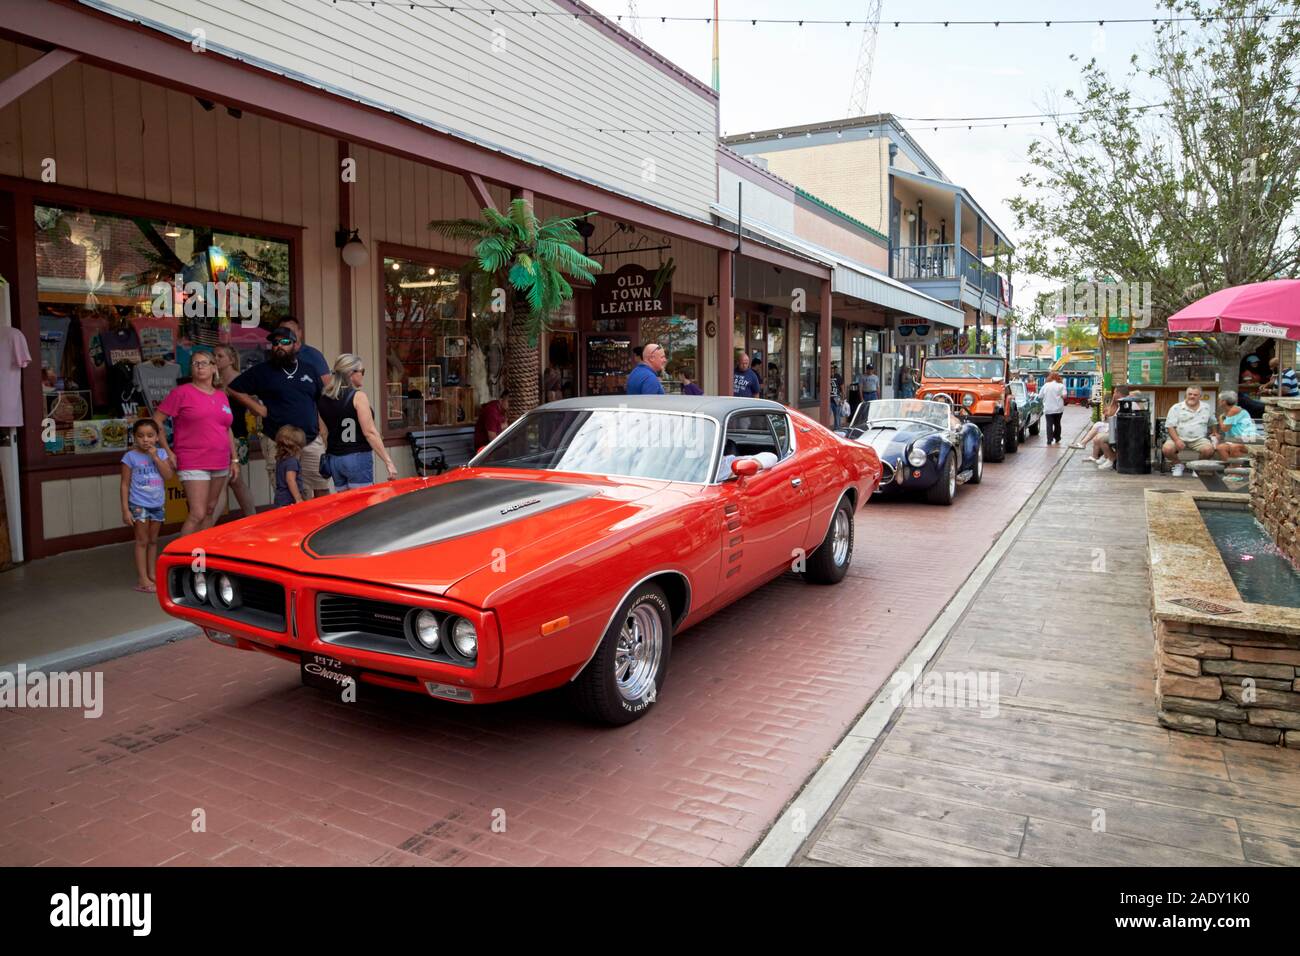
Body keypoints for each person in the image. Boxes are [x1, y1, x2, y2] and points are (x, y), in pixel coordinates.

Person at [226, 325, 330, 500]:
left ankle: (323, 527)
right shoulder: (263, 371)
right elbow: (233, 388)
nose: (279, 346)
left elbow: (318, 400)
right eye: (275, 343)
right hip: (278, 442)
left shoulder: (309, 370)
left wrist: (322, 427)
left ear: (295, 345)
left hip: (311, 441)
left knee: (321, 487)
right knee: (287, 493)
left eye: (285, 342)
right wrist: (257, 408)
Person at [154, 349, 238, 536]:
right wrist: (168, 451)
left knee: (210, 509)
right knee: (197, 513)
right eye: (195, 364)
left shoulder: (221, 395)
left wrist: (234, 459)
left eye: (204, 363)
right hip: (193, 459)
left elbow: (226, 428)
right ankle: (182, 559)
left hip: (220, 459)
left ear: (214, 367)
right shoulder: (181, 393)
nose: (200, 367)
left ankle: (200, 556)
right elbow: (157, 420)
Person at [318, 353, 397, 490]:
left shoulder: (323, 398)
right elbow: (370, 432)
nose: (362, 375)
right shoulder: (358, 396)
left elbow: (324, 433)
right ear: (350, 373)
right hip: (356, 457)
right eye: (362, 371)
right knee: (362, 503)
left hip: (335, 459)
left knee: (345, 505)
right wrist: (388, 462)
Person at [120, 419, 174, 593]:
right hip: (139, 504)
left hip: (157, 504)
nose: (146, 440)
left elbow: (168, 476)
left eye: (150, 436)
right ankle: (143, 579)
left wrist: (155, 457)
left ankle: (152, 573)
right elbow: (124, 484)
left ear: (157, 437)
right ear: (134, 437)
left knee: (152, 541)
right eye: (141, 436)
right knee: (142, 541)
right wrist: (125, 509)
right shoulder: (130, 457)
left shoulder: (161, 454)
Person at [213, 344, 257, 520]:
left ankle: (207, 525)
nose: (216, 359)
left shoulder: (240, 380)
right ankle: (252, 517)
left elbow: (252, 404)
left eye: (220, 356)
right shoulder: (214, 381)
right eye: (214, 356)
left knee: (226, 479)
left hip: (236, 433)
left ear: (231, 360)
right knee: (235, 481)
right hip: (217, 435)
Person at [1162, 385, 1217, 476]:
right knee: (1167, 449)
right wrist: (1177, 440)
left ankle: (1198, 467)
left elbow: (1213, 422)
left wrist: (1215, 432)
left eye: (1195, 395)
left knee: (1209, 450)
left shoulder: (1206, 407)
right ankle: (1178, 464)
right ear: (1186, 395)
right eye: (1190, 394)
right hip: (1178, 437)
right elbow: (1170, 426)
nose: (1192, 396)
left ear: (1200, 396)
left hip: (1199, 439)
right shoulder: (1176, 407)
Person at [279, 317, 331, 389]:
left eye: (292, 331)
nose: (288, 335)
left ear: (300, 333)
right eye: (284, 332)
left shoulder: (314, 356)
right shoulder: (276, 356)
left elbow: (328, 387)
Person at [1094, 385, 1132, 472]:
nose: (1113, 394)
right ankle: (1108, 457)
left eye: (1114, 392)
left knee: (1101, 439)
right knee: (1099, 437)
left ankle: (1111, 459)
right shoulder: (1122, 403)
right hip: (1119, 431)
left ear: (1118, 393)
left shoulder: (1126, 403)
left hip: (1125, 434)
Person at [1215, 391, 1258, 461]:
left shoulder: (1234, 410)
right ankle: (1230, 468)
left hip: (1248, 440)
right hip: (1236, 440)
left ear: (1224, 402)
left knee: (1234, 447)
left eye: (1219, 399)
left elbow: (1225, 428)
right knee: (1220, 448)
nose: (1218, 401)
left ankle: (1236, 469)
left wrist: (1220, 418)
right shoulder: (1228, 412)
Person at [272, 425, 306, 507]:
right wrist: (298, 498)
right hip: (289, 500)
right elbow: (290, 480)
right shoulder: (292, 462)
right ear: (297, 447)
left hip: (280, 498)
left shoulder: (281, 459)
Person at [1039, 371, 1067, 445]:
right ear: (1058, 377)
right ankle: (1057, 437)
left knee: (1049, 424)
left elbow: (1040, 396)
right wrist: (1059, 395)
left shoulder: (1045, 385)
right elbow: (1064, 396)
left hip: (1048, 408)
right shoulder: (1061, 385)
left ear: (1050, 377)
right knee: (1057, 424)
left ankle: (1049, 439)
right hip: (1058, 409)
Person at [830, 363, 844, 429]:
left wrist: (843, 395)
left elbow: (842, 386)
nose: (831, 370)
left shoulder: (837, 376)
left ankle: (837, 428)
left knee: (837, 414)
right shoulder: (825, 375)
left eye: (832, 369)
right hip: (828, 398)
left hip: (837, 397)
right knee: (828, 414)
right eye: (830, 368)